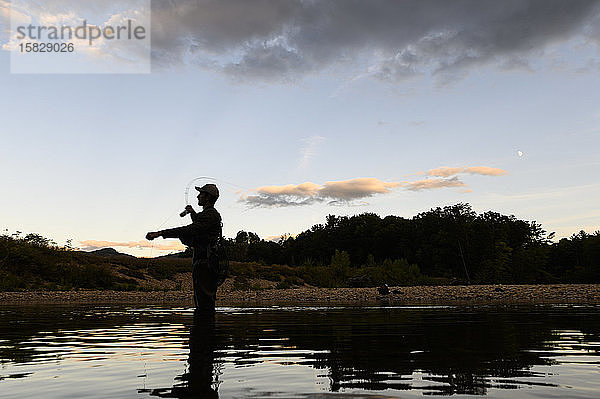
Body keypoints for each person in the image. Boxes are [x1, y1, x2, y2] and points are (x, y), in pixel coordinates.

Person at [146, 184, 222, 313]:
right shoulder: (208, 214)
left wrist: (160, 233)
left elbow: (191, 229)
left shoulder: (211, 214)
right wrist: (192, 213)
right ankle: (205, 330)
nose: (198, 196)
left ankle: (205, 330)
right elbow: (199, 225)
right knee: (202, 300)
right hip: (204, 261)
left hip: (206, 262)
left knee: (204, 302)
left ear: (208, 197)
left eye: (201, 194)